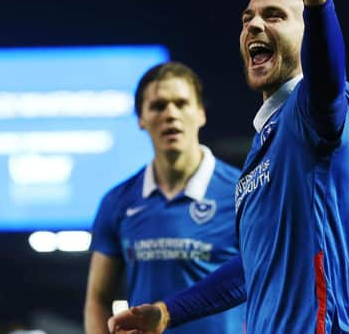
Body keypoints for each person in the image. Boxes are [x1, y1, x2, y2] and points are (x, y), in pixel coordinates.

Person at [108, 0, 349, 334]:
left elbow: (327, 76)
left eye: (275, 16)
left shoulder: (314, 109)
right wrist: (169, 311)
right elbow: (253, 266)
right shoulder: (264, 145)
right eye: (247, 18)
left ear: (309, 33)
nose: (254, 25)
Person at [84, 62, 245, 334]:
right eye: (158, 106)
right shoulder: (117, 201)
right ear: (141, 118)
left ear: (201, 113)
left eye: (181, 104)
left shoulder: (242, 192)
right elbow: (98, 298)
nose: (171, 114)